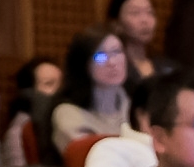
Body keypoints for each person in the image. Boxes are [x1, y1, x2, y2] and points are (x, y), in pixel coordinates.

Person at [49, 24, 138, 152]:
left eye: (117, 52)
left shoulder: (136, 106)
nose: (112, 62)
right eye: (100, 56)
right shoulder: (68, 114)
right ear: (84, 64)